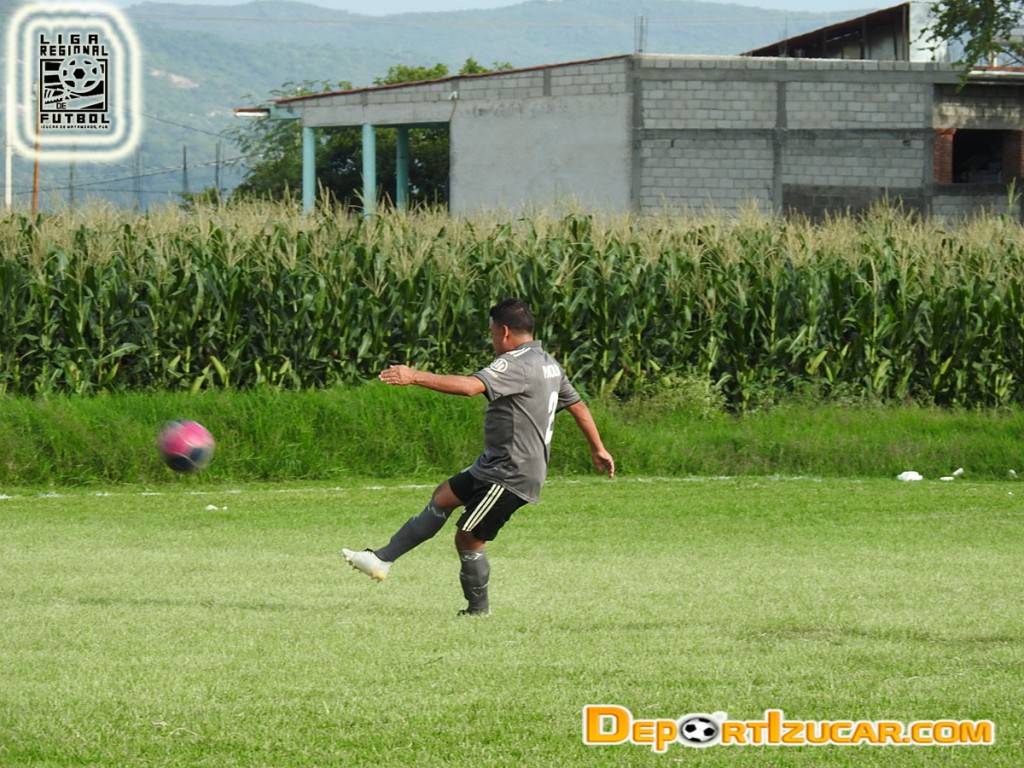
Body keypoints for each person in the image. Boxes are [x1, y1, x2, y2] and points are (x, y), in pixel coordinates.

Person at [342, 298, 614, 616]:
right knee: (443, 497)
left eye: (491, 331)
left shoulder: (515, 363)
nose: (492, 338)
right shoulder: (548, 363)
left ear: (504, 331)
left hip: (510, 472)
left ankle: (477, 611)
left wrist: (413, 376)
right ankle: (381, 559)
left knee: (469, 539)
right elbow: (577, 405)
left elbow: (471, 387)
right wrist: (598, 447)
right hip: (494, 464)